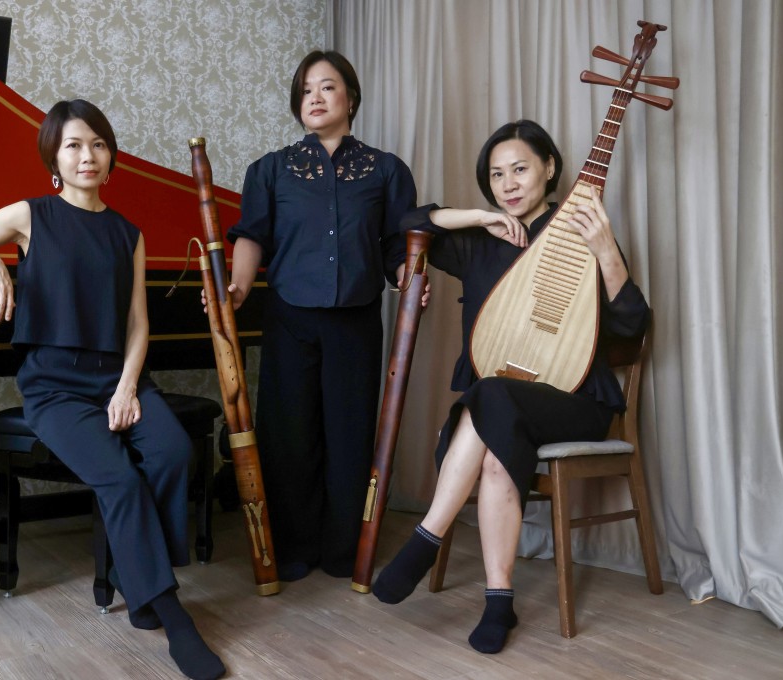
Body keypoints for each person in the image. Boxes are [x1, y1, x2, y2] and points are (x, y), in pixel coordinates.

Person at [0, 99, 225, 680]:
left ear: (110, 156)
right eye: (73, 145)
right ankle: (169, 611)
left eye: (98, 144)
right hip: (55, 387)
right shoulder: (30, 216)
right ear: (55, 159)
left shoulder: (127, 234)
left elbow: (138, 323)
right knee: (119, 477)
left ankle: (134, 578)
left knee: (173, 452)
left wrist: (127, 388)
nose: (87, 155)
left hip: (116, 377)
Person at [371, 120, 649, 654]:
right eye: (496, 175)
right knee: (497, 432)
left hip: (574, 402)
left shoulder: (583, 233)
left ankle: (427, 537)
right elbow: (407, 225)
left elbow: (631, 327)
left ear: (550, 167)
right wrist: (480, 217)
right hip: (497, 408)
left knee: (490, 395)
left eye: (520, 169)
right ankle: (500, 601)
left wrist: (606, 251)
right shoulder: (479, 242)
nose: (508, 184)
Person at [214, 50, 417, 582]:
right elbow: (252, 236)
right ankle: (294, 547)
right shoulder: (270, 169)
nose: (316, 98)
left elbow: (398, 244)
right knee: (289, 434)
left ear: (351, 96)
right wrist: (238, 286)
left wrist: (407, 277)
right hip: (289, 317)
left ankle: (343, 549)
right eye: (306, 91)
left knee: (349, 434)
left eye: (327, 87)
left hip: (356, 318)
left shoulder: (386, 169)